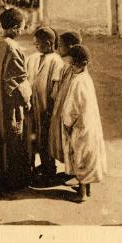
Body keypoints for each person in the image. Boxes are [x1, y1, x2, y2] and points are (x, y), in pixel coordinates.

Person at [0, 7, 32, 196]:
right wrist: (28, 100)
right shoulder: (14, 48)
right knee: (14, 138)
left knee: (0, 138)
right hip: (11, 103)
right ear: (15, 28)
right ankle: (13, 182)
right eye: (22, 27)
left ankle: (1, 181)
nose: (22, 31)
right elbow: (18, 80)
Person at [61, 45, 107, 202]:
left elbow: (72, 107)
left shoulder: (77, 82)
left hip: (80, 126)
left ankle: (81, 194)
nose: (71, 67)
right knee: (88, 156)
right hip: (89, 124)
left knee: (79, 156)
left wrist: (67, 123)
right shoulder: (87, 79)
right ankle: (87, 190)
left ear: (82, 64)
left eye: (73, 64)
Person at [27, 26, 64, 184]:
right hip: (32, 106)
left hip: (46, 107)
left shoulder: (56, 61)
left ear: (49, 44)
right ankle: (36, 167)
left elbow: (55, 86)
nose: (36, 47)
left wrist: (51, 105)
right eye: (34, 44)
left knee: (46, 139)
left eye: (38, 44)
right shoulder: (33, 58)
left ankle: (49, 169)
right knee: (33, 137)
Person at [49, 31, 82, 164]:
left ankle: (74, 170)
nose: (57, 49)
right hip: (63, 104)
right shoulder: (70, 65)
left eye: (61, 46)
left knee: (69, 137)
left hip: (67, 106)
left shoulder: (67, 66)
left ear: (71, 47)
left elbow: (57, 90)